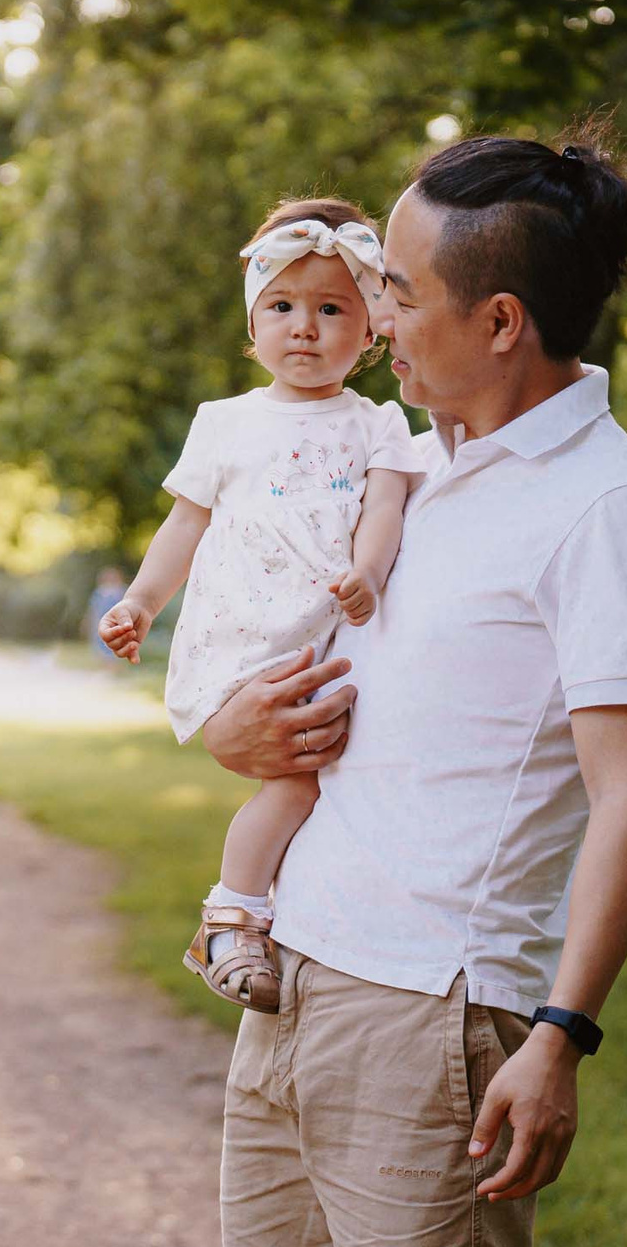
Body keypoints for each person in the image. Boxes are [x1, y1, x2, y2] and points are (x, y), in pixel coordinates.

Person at [202, 131, 627, 1247]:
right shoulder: (407, 476)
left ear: (500, 319)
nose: (373, 321)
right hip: (297, 979)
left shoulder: (606, 512)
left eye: (397, 292)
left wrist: (561, 1033)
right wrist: (236, 733)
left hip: (432, 1012)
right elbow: (292, 672)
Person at [96, 198, 428, 1013]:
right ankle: (234, 911)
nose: (305, 328)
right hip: (244, 642)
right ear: (253, 328)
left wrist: (368, 570)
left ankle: (247, 913)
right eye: (281, 307)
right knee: (299, 784)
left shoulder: (378, 424)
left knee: (314, 783)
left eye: (330, 309)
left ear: (372, 329)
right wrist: (140, 601)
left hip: (323, 636)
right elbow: (185, 523)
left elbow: (384, 509)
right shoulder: (226, 424)